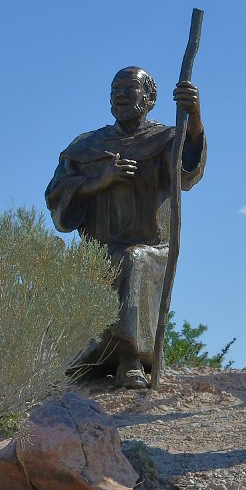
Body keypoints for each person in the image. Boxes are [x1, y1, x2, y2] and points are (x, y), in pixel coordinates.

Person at [46, 67, 205, 389]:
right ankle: (85, 359)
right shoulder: (87, 146)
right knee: (58, 267)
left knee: (134, 260)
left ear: (150, 97)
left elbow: (186, 175)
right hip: (98, 251)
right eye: (115, 88)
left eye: (129, 87)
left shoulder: (165, 139)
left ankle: (131, 358)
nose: (120, 94)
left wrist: (194, 118)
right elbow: (56, 195)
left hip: (151, 249)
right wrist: (99, 180)